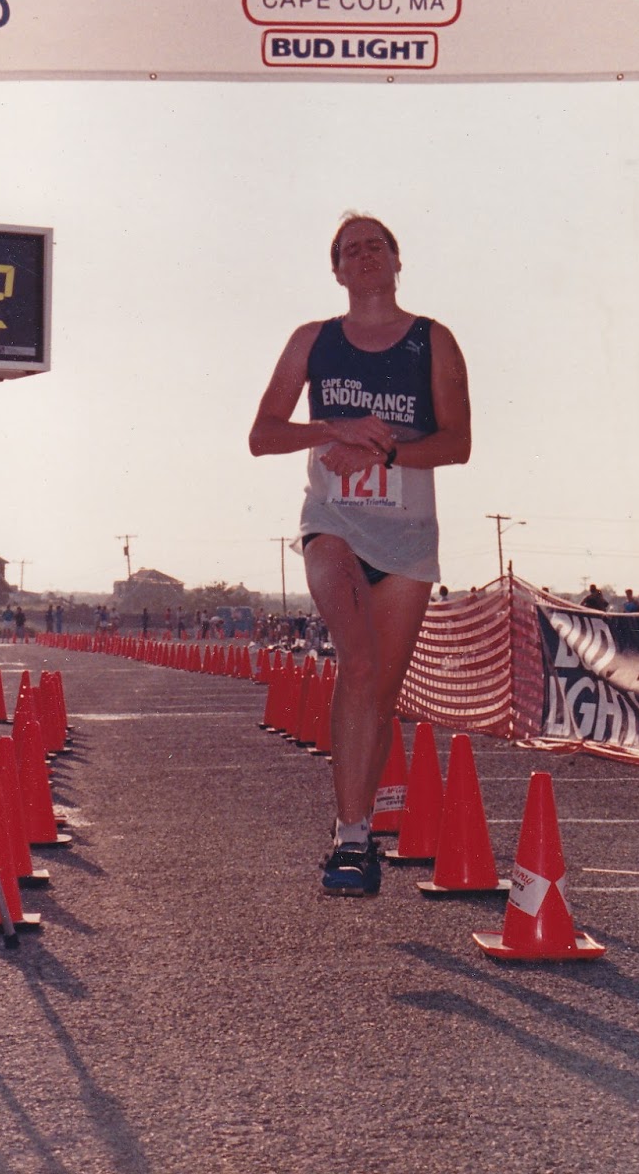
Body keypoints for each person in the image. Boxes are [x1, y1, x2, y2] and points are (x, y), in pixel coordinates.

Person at [249, 213, 471, 896]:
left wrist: (385, 447)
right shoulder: (311, 341)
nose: (364, 255)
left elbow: (456, 444)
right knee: (360, 660)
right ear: (336, 270)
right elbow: (263, 434)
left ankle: (361, 832)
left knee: (379, 692)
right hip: (334, 523)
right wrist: (333, 427)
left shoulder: (432, 340)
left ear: (395, 260)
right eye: (351, 250)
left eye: (376, 245)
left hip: (405, 537)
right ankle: (349, 837)